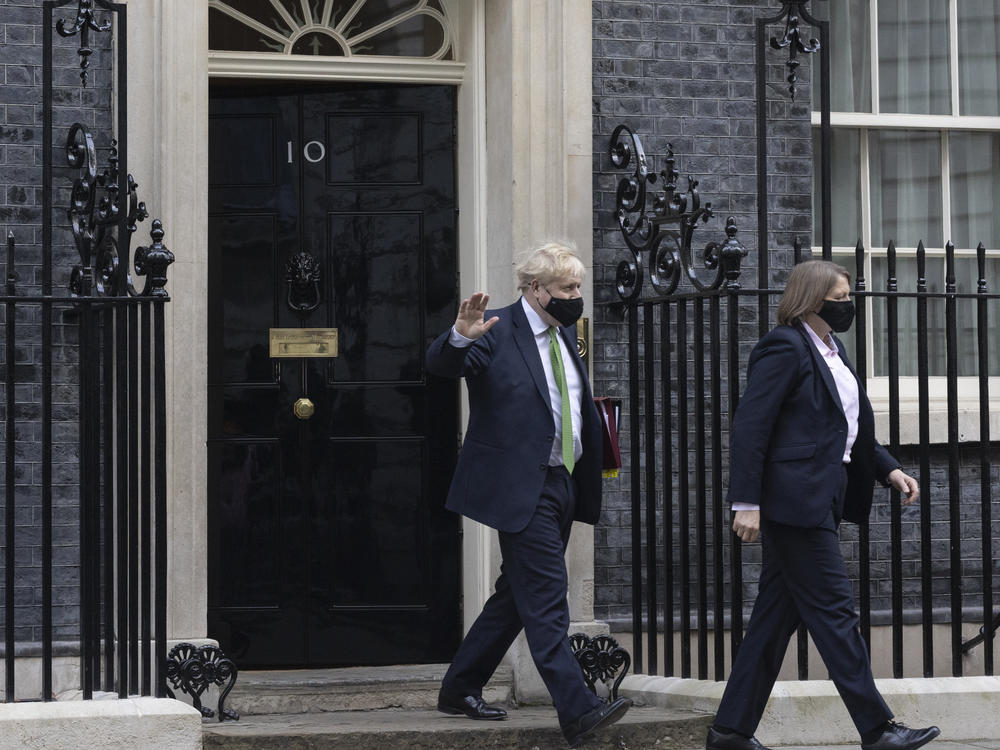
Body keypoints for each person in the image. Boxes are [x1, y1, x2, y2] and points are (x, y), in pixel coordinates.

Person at [707, 260, 940, 750]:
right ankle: (877, 729)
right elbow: (751, 429)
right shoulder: (783, 347)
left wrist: (889, 468)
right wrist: (745, 502)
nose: (848, 303)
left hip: (821, 497)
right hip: (793, 503)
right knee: (836, 613)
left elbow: (845, 428)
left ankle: (729, 732)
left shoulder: (833, 351)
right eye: (840, 295)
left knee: (773, 622)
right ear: (813, 299)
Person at [427, 241, 631, 748]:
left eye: (578, 287)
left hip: (561, 481)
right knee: (545, 599)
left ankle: (459, 687)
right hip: (521, 485)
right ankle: (578, 710)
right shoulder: (494, 329)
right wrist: (457, 336)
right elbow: (441, 367)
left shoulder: (565, 336)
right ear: (536, 289)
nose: (575, 295)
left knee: (516, 596)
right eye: (567, 288)